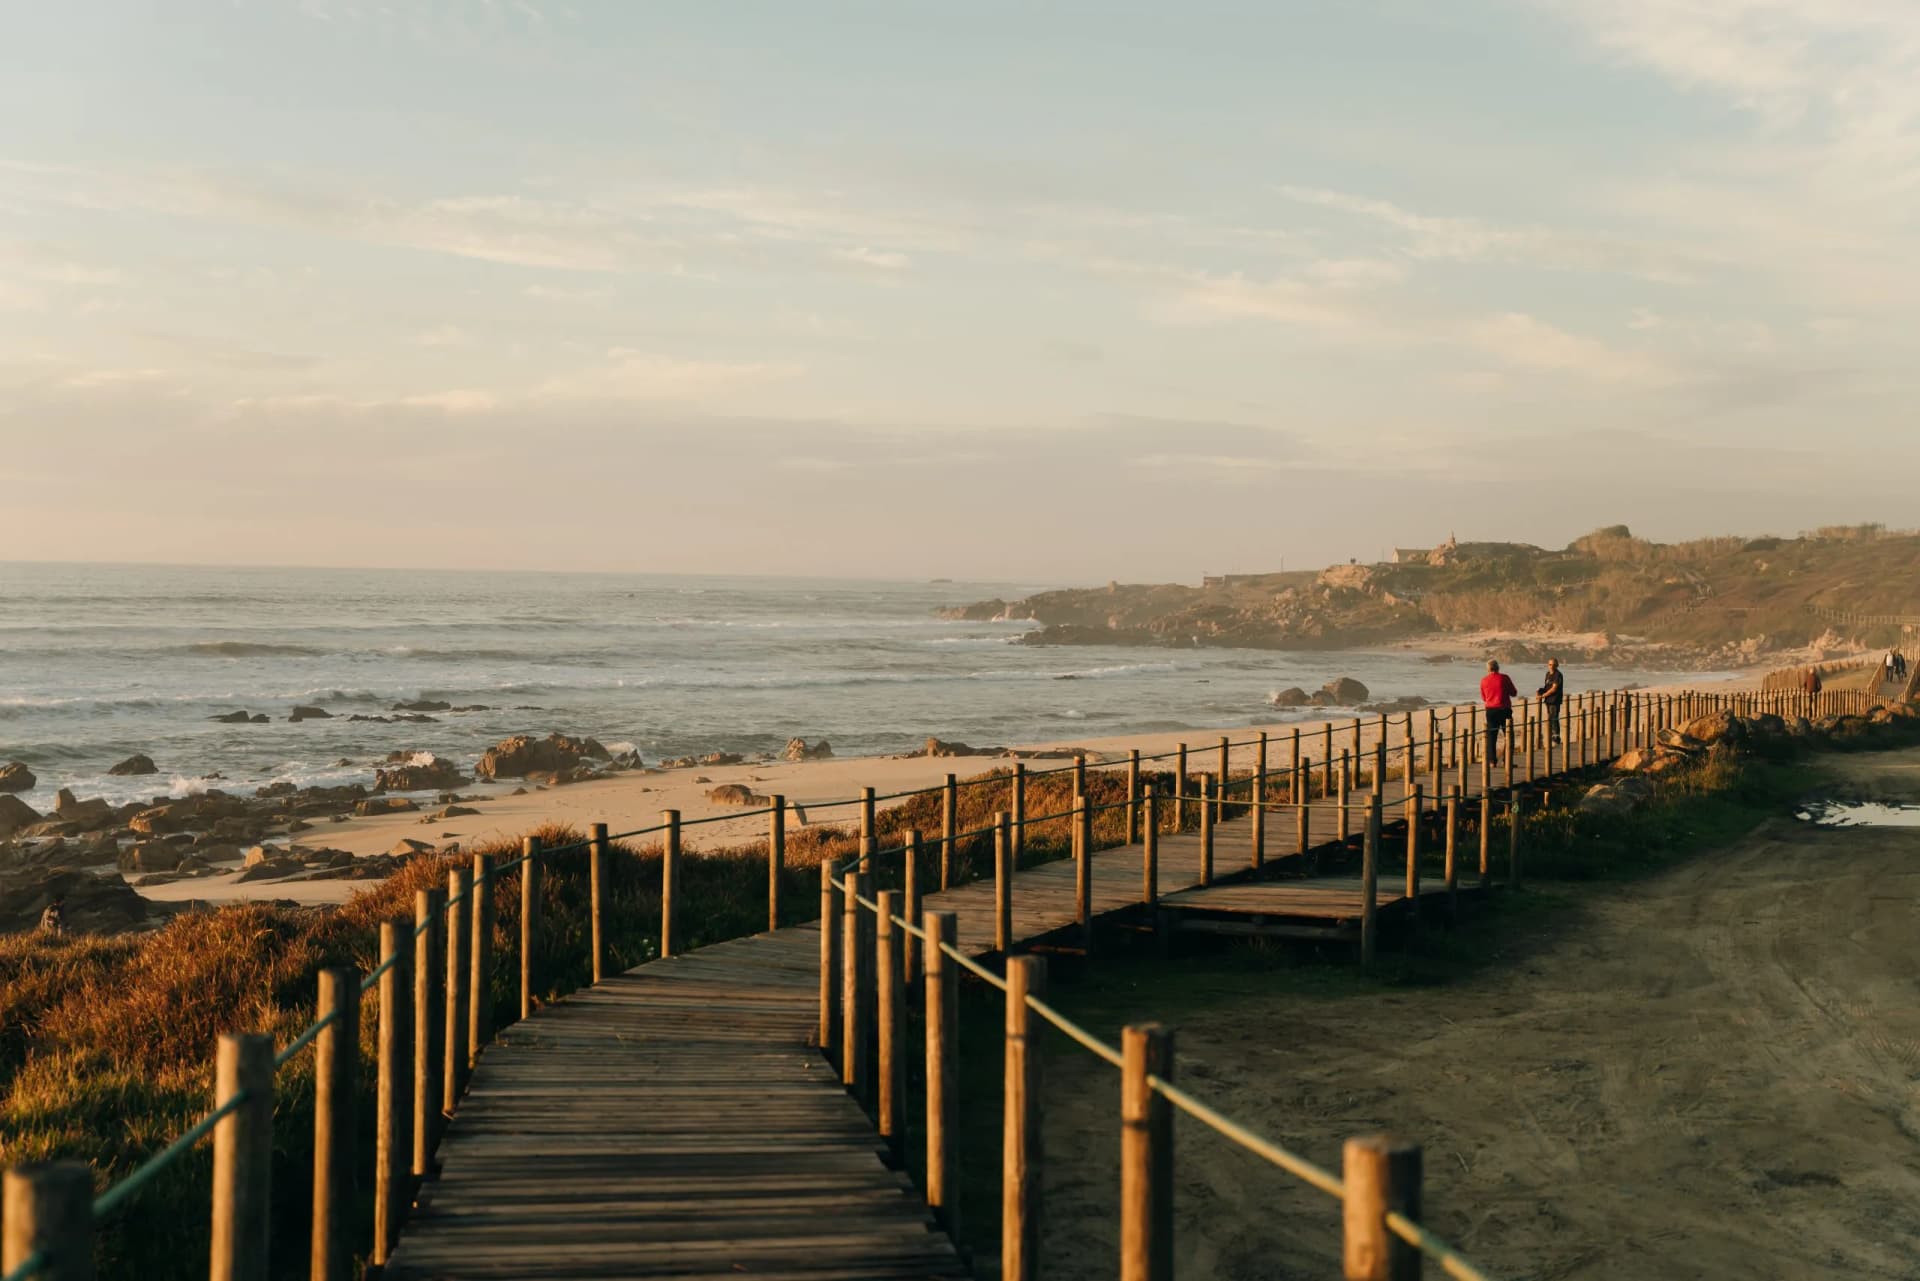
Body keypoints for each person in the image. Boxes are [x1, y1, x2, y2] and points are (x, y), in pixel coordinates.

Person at [1480, 659, 1518, 765]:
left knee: (1492, 736)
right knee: (1509, 735)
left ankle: (1492, 761)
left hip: (1491, 710)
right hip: (1504, 709)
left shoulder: (1484, 680)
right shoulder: (1504, 678)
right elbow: (1514, 693)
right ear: (1498, 667)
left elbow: (1484, 697)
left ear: (1488, 669)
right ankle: (1507, 761)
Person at [1536, 658, 1565, 746]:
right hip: (1548, 700)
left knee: (1554, 718)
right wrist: (1539, 691)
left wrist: (1543, 696)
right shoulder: (1548, 674)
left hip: (1555, 700)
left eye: (1553, 665)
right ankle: (1552, 736)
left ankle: (1556, 737)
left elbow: (1554, 689)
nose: (1551, 666)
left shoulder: (1558, 675)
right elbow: (1546, 687)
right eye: (1549, 664)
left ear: (1556, 665)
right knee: (1550, 718)